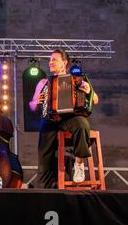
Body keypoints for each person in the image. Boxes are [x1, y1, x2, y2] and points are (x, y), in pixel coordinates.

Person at [30, 49, 99, 188]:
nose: (50, 62)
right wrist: (38, 100)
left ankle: (79, 163)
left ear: (64, 62)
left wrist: (88, 90)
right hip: (50, 119)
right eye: (49, 60)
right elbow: (32, 106)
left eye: (54, 59)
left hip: (69, 118)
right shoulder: (43, 82)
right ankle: (42, 187)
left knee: (82, 124)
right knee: (45, 156)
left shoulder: (77, 79)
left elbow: (95, 100)